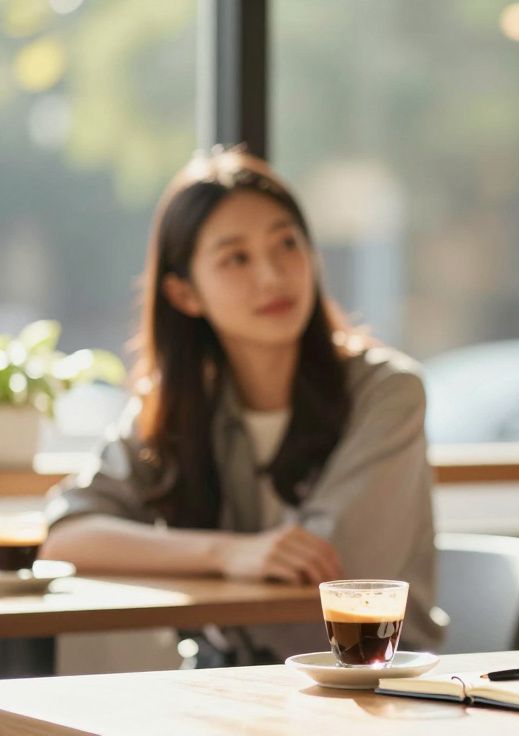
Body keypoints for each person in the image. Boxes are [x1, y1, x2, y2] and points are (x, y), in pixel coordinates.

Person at [42, 149, 442, 663]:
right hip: (222, 682)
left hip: (368, 685)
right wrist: (226, 553)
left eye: (287, 244)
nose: (273, 276)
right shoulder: (178, 403)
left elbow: (331, 569)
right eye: (236, 258)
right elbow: (67, 535)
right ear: (184, 293)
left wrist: (200, 557)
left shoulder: (388, 392)